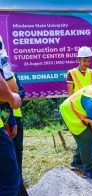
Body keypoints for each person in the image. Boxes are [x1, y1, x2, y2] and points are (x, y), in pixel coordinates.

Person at [66, 46, 92, 163]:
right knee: (84, 135)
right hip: (78, 109)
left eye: (89, 60)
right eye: (84, 60)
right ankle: (79, 159)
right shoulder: (71, 73)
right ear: (79, 60)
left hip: (90, 107)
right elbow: (70, 94)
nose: (87, 63)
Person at [0, 52, 22, 195]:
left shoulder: (10, 74)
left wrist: (10, 120)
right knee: (8, 182)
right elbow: (10, 95)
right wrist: (13, 98)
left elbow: (19, 90)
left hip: (7, 118)